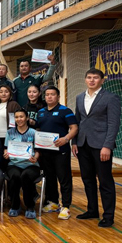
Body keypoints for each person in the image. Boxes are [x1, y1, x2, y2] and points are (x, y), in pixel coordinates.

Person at [72, 68, 121, 228]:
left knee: (105, 181)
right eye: (89, 77)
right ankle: (92, 210)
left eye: (95, 78)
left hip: (101, 146)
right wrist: (74, 142)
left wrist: (107, 146)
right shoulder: (80, 97)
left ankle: (108, 216)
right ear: (85, 79)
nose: (92, 80)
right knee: (87, 179)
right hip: (83, 144)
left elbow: (113, 124)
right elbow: (77, 121)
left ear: (102, 80)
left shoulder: (111, 98)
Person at [36, 86, 78, 220]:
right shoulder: (40, 112)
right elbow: (38, 129)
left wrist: (66, 139)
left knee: (64, 178)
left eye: (52, 94)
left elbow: (74, 128)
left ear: (58, 97)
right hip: (45, 152)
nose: (49, 97)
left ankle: (66, 206)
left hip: (61, 152)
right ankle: (53, 202)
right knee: (50, 178)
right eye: (47, 94)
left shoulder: (65, 111)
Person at [3, 109, 41, 219]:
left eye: (21, 117)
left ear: (27, 118)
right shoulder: (10, 132)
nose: (19, 119)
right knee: (14, 176)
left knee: (26, 176)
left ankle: (30, 206)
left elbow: (38, 150)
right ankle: (15, 206)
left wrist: (35, 158)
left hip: (31, 165)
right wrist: (6, 154)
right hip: (14, 164)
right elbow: (6, 148)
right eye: (16, 117)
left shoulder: (33, 133)